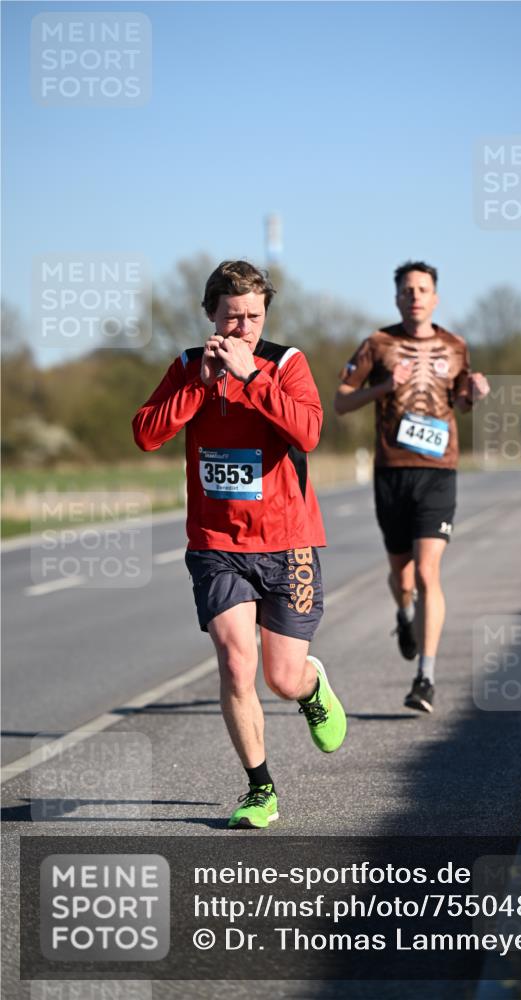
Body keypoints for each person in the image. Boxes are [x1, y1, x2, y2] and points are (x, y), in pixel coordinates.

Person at [133, 260, 346, 829]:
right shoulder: (186, 367)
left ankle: (310, 686)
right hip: (216, 542)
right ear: (210, 315)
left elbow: (308, 432)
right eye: (232, 317)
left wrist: (254, 378)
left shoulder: (287, 363)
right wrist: (198, 389)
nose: (243, 328)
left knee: (280, 676)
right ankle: (260, 789)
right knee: (234, 662)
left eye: (254, 316)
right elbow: (146, 433)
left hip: (287, 541)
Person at [334, 261, 489, 713]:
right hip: (392, 471)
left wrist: (475, 394)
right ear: (397, 297)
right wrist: (384, 385)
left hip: (439, 471)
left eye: (422, 289)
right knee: (402, 577)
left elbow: (460, 401)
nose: (415, 296)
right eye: (407, 289)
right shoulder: (377, 344)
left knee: (427, 573)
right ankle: (404, 616)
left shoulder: (455, 346)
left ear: (435, 297)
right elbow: (342, 401)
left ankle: (425, 676)